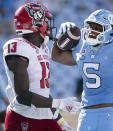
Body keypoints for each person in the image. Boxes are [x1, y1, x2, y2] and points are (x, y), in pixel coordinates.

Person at [2, 2, 82, 131]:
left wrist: (61, 122)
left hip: (44, 116)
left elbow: (42, 93)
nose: (49, 26)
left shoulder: (42, 48)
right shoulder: (18, 47)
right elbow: (23, 96)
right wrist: (59, 103)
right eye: (45, 21)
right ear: (36, 24)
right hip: (22, 118)